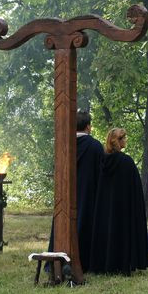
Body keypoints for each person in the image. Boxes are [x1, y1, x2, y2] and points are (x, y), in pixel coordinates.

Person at [88, 128, 148, 275]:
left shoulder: (102, 161)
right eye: (124, 138)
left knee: (106, 231)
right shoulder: (126, 162)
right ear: (119, 140)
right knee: (121, 233)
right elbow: (134, 188)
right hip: (123, 207)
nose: (126, 141)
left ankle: (104, 264)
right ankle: (122, 264)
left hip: (105, 207)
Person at [48, 110, 105, 273]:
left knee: (62, 225)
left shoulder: (64, 144)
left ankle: (56, 259)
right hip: (88, 195)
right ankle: (85, 262)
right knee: (86, 225)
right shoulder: (94, 146)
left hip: (65, 194)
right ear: (88, 126)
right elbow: (101, 173)